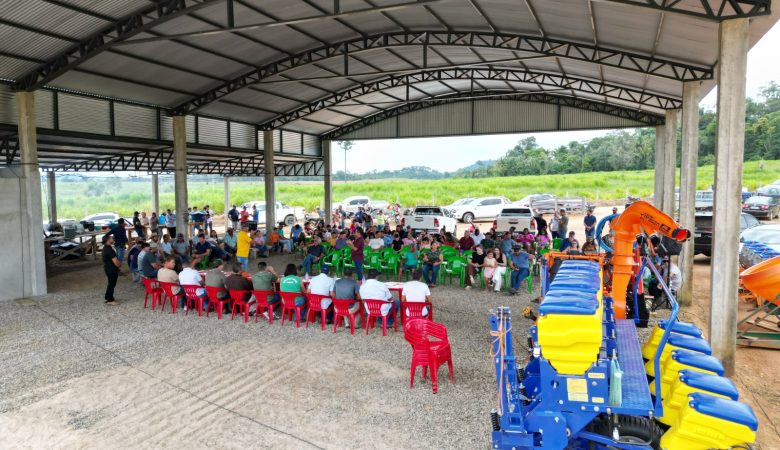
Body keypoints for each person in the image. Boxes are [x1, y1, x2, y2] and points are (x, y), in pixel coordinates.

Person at [101, 234, 121, 305]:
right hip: (111, 269)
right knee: (112, 284)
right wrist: (119, 265)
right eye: (111, 238)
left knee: (111, 284)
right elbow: (115, 261)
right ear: (108, 240)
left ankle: (108, 297)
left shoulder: (106, 248)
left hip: (108, 268)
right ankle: (110, 300)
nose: (112, 238)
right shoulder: (109, 250)